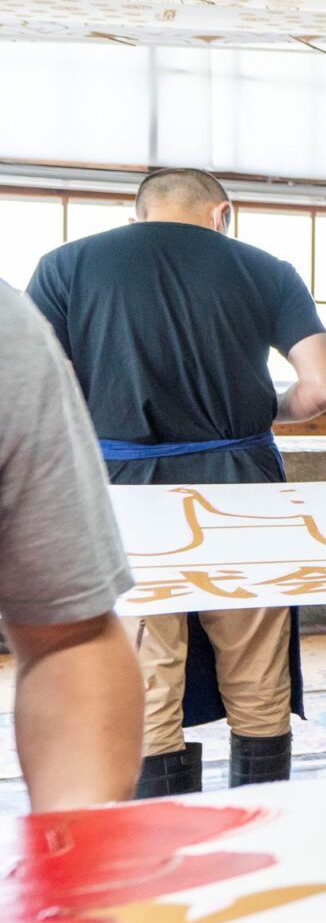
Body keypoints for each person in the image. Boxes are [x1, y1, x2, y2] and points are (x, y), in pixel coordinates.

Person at [28, 167, 326, 795]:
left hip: (123, 489)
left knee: (148, 662)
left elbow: (46, 385)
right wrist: (265, 409)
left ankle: (170, 839)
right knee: (257, 663)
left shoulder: (65, 265)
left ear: (137, 215)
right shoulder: (265, 268)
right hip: (242, 482)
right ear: (221, 213)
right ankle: (265, 818)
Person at [0, 282, 146, 811]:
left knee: (165, 667)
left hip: (125, 471)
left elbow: (69, 635)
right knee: (253, 681)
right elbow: (323, 385)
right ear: (222, 214)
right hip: (234, 470)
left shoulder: (25, 312)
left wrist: (76, 855)